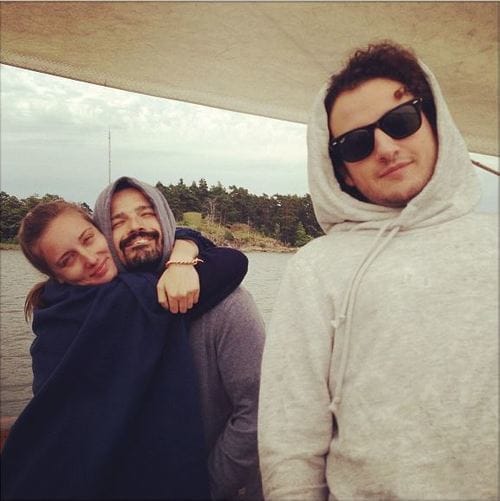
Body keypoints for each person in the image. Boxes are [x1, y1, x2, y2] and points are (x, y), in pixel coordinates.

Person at [258, 42, 498, 500]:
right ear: (342, 172)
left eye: (401, 120)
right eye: (356, 143)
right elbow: (290, 443)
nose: (385, 148)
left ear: (434, 123)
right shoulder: (315, 269)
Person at [1, 199, 248, 500]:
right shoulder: (130, 299)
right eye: (67, 260)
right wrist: (181, 258)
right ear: (57, 275)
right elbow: (233, 262)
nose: (89, 258)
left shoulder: (52, 312)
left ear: (101, 231)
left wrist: (181, 248)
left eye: (88, 239)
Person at [94, 176, 266, 500]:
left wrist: (206, 488)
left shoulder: (229, 304)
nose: (136, 226)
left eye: (146, 214)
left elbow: (258, 408)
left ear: (165, 220)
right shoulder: (99, 311)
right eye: (118, 222)